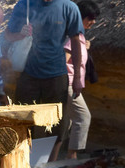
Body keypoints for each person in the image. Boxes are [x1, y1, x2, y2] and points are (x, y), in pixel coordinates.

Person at [5, 0, 84, 144]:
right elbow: (8, 35)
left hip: (56, 75)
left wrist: (78, 77)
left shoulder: (69, 8)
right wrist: (20, 34)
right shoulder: (25, 4)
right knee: (23, 120)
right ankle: (25, 160)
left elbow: (76, 41)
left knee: (56, 123)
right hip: (28, 74)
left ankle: (48, 163)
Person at [59, 0, 99, 160]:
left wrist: (85, 47)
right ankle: (72, 156)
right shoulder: (71, 37)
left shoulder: (79, 37)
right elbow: (63, 60)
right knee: (83, 117)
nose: (93, 22)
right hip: (67, 84)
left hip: (68, 84)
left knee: (65, 122)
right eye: (90, 18)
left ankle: (50, 159)